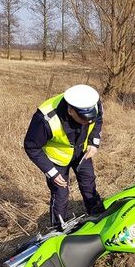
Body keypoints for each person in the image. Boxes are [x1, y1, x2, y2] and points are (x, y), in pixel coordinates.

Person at [24, 84, 105, 229]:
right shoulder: (45, 118)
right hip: (57, 159)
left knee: (88, 183)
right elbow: (31, 146)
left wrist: (94, 142)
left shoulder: (93, 102)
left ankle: (98, 216)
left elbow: (97, 120)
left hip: (82, 151)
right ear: (71, 110)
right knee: (60, 193)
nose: (87, 123)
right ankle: (59, 228)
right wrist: (51, 172)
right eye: (83, 120)